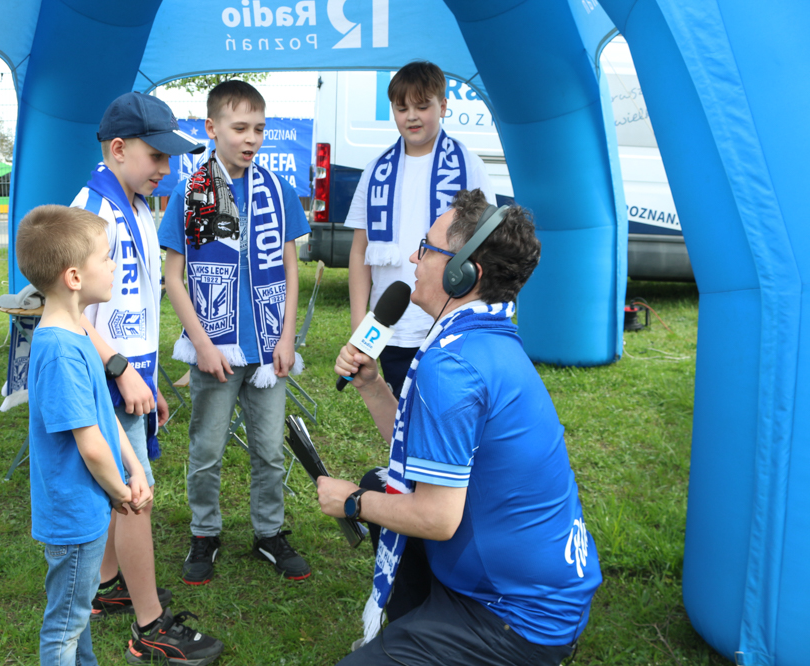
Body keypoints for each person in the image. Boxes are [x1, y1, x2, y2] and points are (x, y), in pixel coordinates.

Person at [318, 189, 602, 666]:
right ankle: (416, 629)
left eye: (427, 249)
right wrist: (372, 386)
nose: (413, 257)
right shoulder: (488, 336)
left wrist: (352, 503)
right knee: (381, 483)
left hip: (516, 619)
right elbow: (429, 454)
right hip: (544, 595)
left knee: (371, 492)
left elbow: (437, 517)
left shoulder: (452, 365)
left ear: (463, 273)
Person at [71, 91, 224, 666]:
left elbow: (131, 310)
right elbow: (67, 313)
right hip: (102, 380)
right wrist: (118, 369)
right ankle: (150, 626)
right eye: (157, 156)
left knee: (122, 493)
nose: (168, 169)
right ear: (117, 149)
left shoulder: (135, 203)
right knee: (135, 498)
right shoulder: (90, 214)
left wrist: (148, 376)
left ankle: (108, 587)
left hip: (130, 377)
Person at [159, 80, 312, 585]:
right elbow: (174, 278)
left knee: (270, 449)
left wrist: (287, 336)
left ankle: (270, 533)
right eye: (240, 127)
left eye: (259, 129)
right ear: (212, 128)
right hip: (215, 351)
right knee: (207, 450)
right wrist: (202, 343)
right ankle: (205, 533)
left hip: (269, 352)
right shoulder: (190, 192)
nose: (251, 138)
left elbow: (291, 269)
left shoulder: (276, 189)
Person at [16, 204, 152, 666]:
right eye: (105, 258)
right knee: (65, 624)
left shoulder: (76, 331)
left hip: (89, 510)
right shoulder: (59, 350)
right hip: (73, 516)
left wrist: (133, 465)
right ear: (74, 277)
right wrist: (123, 494)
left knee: (80, 613)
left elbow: (103, 414)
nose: (113, 266)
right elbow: (91, 447)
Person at [346, 61, 496, 397]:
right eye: (402, 108)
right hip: (392, 326)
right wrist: (360, 323)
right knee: (401, 420)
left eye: (422, 106)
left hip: (448, 324)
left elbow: (487, 248)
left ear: (443, 106)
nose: (411, 116)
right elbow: (359, 251)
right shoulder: (375, 171)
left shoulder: (469, 165)